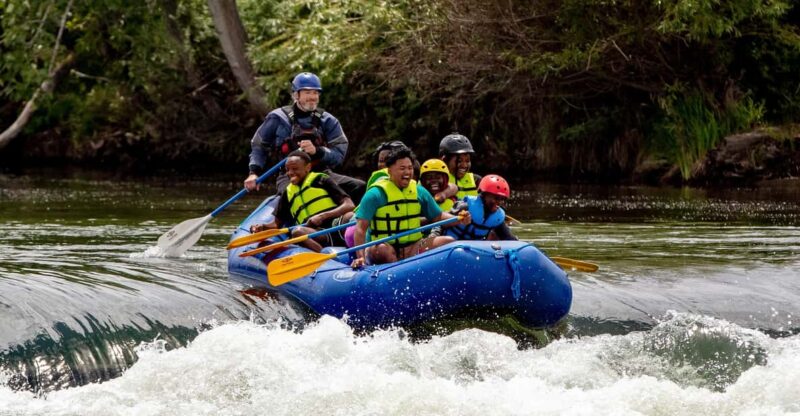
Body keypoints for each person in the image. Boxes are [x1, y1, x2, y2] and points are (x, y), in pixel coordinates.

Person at [244, 72, 365, 203]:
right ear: (296, 95)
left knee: (359, 186)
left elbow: (339, 154)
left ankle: (355, 220)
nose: (312, 97)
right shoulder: (278, 118)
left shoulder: (328, 120)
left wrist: (317, 151)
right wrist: (253, 172)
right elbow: (259, 146)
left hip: (320, 173)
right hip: (289, 175)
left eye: (315, 93)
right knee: (290, 195)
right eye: (307, 93)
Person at [350, 148, 470, 267]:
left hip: (413, 246)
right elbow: (360, 229)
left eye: (410, 168)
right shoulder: (375, 194)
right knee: (383, 250)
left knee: (448, 241)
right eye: (402, 168)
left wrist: (458, 219)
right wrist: (360, 258)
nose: (407, 172)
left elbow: (438, 216)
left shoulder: (419, 192)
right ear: (390, 170)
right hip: (383, 247)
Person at [249, 151, 355, 252]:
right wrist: (262, 227)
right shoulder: (287, 193)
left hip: (336, 225)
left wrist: (322, 216)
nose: (290, 173)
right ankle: (327, 258)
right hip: (316, 233)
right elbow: (276, 225)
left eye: (295, 169)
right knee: (297, 232)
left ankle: (362, 255)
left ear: (307, 167)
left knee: (350, 216)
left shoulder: (322, 180)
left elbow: (349, 205)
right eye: (287, 169)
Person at [442, 174, 517, 241]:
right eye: (496, 198)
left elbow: (508, 238)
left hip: (474, 250)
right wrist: (433, 237)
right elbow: (440, 223)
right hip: (450, 246)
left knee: (496, 237)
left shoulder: (498, 217)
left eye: (502, 199)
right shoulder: (464, 206)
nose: (500, 202)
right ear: (484, 195)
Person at [439, 133, 482, 200]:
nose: (464, 165)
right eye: (459, 161)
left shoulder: (477, 180)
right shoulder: (436, 181)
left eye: (467, 161)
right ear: (444, 160)